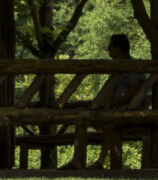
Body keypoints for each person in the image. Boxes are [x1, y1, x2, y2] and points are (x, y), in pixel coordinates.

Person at [63, 34, 147, 170]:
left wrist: (113, 104)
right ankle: (76, 162)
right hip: (112, 108)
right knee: (81, 121)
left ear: (118, 48)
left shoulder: (134, 66)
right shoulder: (115, 67)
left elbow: (133, 94)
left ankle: (100, 162)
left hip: (128, 110)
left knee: (110, 123)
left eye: (110, 47)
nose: (108, 50)